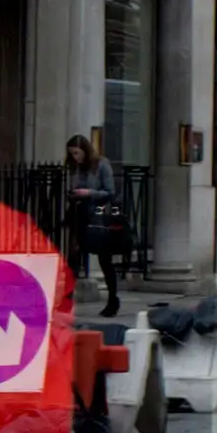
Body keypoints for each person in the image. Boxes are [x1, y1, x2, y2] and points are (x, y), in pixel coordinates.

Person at [62, 134, 129, 318]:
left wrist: (88, 193)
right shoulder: (74, 168)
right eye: (72, 154)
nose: (76, 157)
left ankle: (112, 299)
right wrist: (74, 193)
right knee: (73, 258)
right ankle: (66, 301)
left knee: (104, 260)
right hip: (79, 215)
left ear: (85, 149)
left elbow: (109, 192)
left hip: (98, 215)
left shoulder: (101, 164)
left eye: (77, 153)